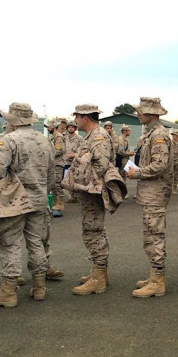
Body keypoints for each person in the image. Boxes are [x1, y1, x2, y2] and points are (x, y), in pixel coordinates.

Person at [0, 103, 54, 308]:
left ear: (12, 120)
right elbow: (51, 176)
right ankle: (39, 286)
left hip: (14, 201)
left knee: (10, 243)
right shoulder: (45, 141)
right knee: (36, 242)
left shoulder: (8, 140)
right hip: (39, 199)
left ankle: (8, 291)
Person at [125, 97, 173, 298]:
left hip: (155, 192)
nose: (137, 114)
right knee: (150, 235)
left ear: (152, 114)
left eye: (140, 111)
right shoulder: (151, 133)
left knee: (154, 236)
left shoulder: (159, 135)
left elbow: (159, 165)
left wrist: (136, 173)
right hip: (150, 192)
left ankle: (158, 281)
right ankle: (155, 276)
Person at [69, 104, 115, 295]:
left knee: (93, 231)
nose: (75, 120)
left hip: (93, 191)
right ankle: (100, 273)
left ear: (85, 118)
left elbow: (101, 165)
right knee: (94, 230)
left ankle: (98, 277)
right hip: (88, 190)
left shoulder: (99, 136)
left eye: (77, 117)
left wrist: (81, 181)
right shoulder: (91, 136)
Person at [45, 119, 66, 217]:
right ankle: (54, 204)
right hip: (52, 163)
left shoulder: (58, 136)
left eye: (49, 127)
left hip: (58, 164)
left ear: (54, 127)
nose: (48, 128)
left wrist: (47, 155)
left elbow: (59, 150)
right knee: (53, 185)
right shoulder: (51, 136)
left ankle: (60, 204)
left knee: (57, 185)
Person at [64, 120, 80, 203]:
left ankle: (75, 196)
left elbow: (82, 151)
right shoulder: (63, 138)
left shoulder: (79, 138)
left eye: (72, 127)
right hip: (65, 162)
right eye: (69, 127)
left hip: (75, 162)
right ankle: (70, 196)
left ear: (75, 128)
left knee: (75, 179)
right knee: (66, 179)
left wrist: (74, 155)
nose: (70, 128)